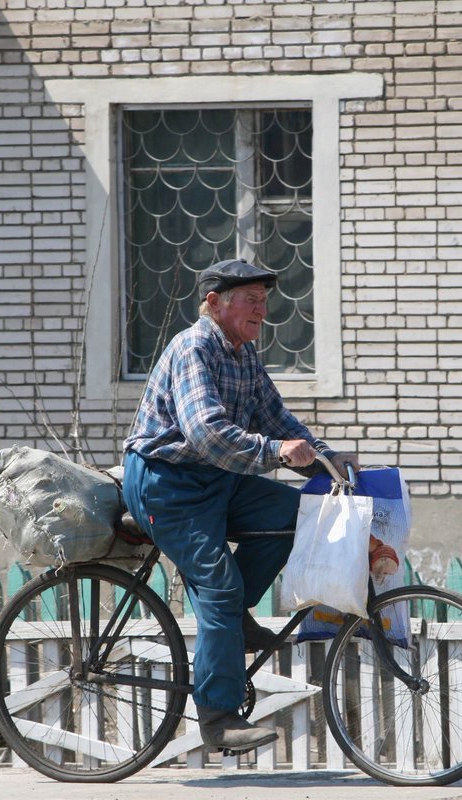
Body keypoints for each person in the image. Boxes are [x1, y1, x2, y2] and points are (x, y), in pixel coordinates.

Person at [121, 258, 358, 753]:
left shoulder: (244, 354)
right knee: (219, 586)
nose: (262, 310)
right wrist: (275, 453)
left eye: (264, 301)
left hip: (218, 478)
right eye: (250, 300)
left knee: (297, 516)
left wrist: (326, 460)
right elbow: (206, 433)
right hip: (168, 484)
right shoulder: (194, 348)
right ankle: (218, 718)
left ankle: (232, 618)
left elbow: (276, 417)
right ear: (214, 304)